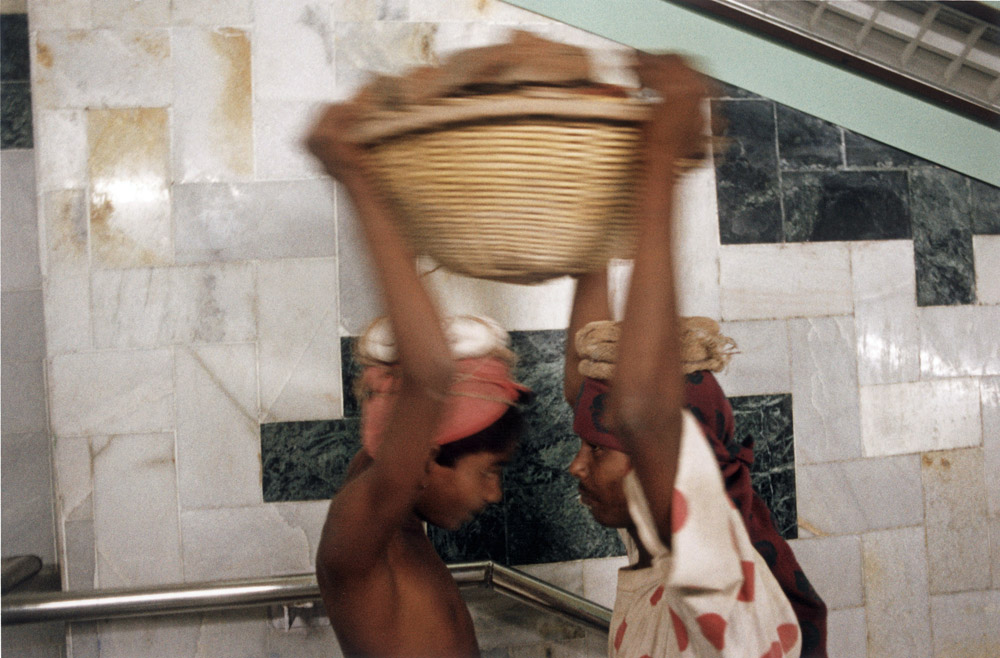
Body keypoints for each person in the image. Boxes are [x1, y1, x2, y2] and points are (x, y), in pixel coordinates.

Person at [562, 53, 811, 657]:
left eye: (596, 452)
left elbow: (641, 411)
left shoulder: (724, 579)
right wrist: (591, 233)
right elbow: (591, 385)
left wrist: (662, 157)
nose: (576, 466)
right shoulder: (657, 549)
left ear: (677, 456)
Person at [306, 101, 529, 658]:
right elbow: (429, 375)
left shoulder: (402, 526)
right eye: (489, 471)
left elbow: (419, 388)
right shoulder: (359, 534)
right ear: (424, 457)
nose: (494, 493)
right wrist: (355, 173)